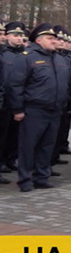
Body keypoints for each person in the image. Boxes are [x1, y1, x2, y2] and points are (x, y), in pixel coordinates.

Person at [7, 24, 70, 192]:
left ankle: (41, 177)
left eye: (54, 38)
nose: (54, 41)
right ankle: (25, 179)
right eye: (50, 38)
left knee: (47, 145)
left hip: (55, 109)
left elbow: (65, 84)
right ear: (39, 40)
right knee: (28, 146)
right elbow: (15, 85)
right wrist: (18, 109)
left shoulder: (59, 59)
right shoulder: (27, 57)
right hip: (34, 109)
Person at [0, 22, 27, 178]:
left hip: (19, 101)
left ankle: (11, 158)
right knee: (3, 134)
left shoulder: (25, 55)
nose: (19, 38)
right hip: (5, 101)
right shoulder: (3, 54)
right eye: (15, 35)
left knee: (15, 134)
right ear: (8, 36)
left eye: (21, 35)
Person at [51, 27, 71, 170]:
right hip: (43, 103)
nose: (63, 43)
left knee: (59, 130)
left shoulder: (64, 58)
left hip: (63, 99)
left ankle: (54, 156)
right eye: (59, 39)